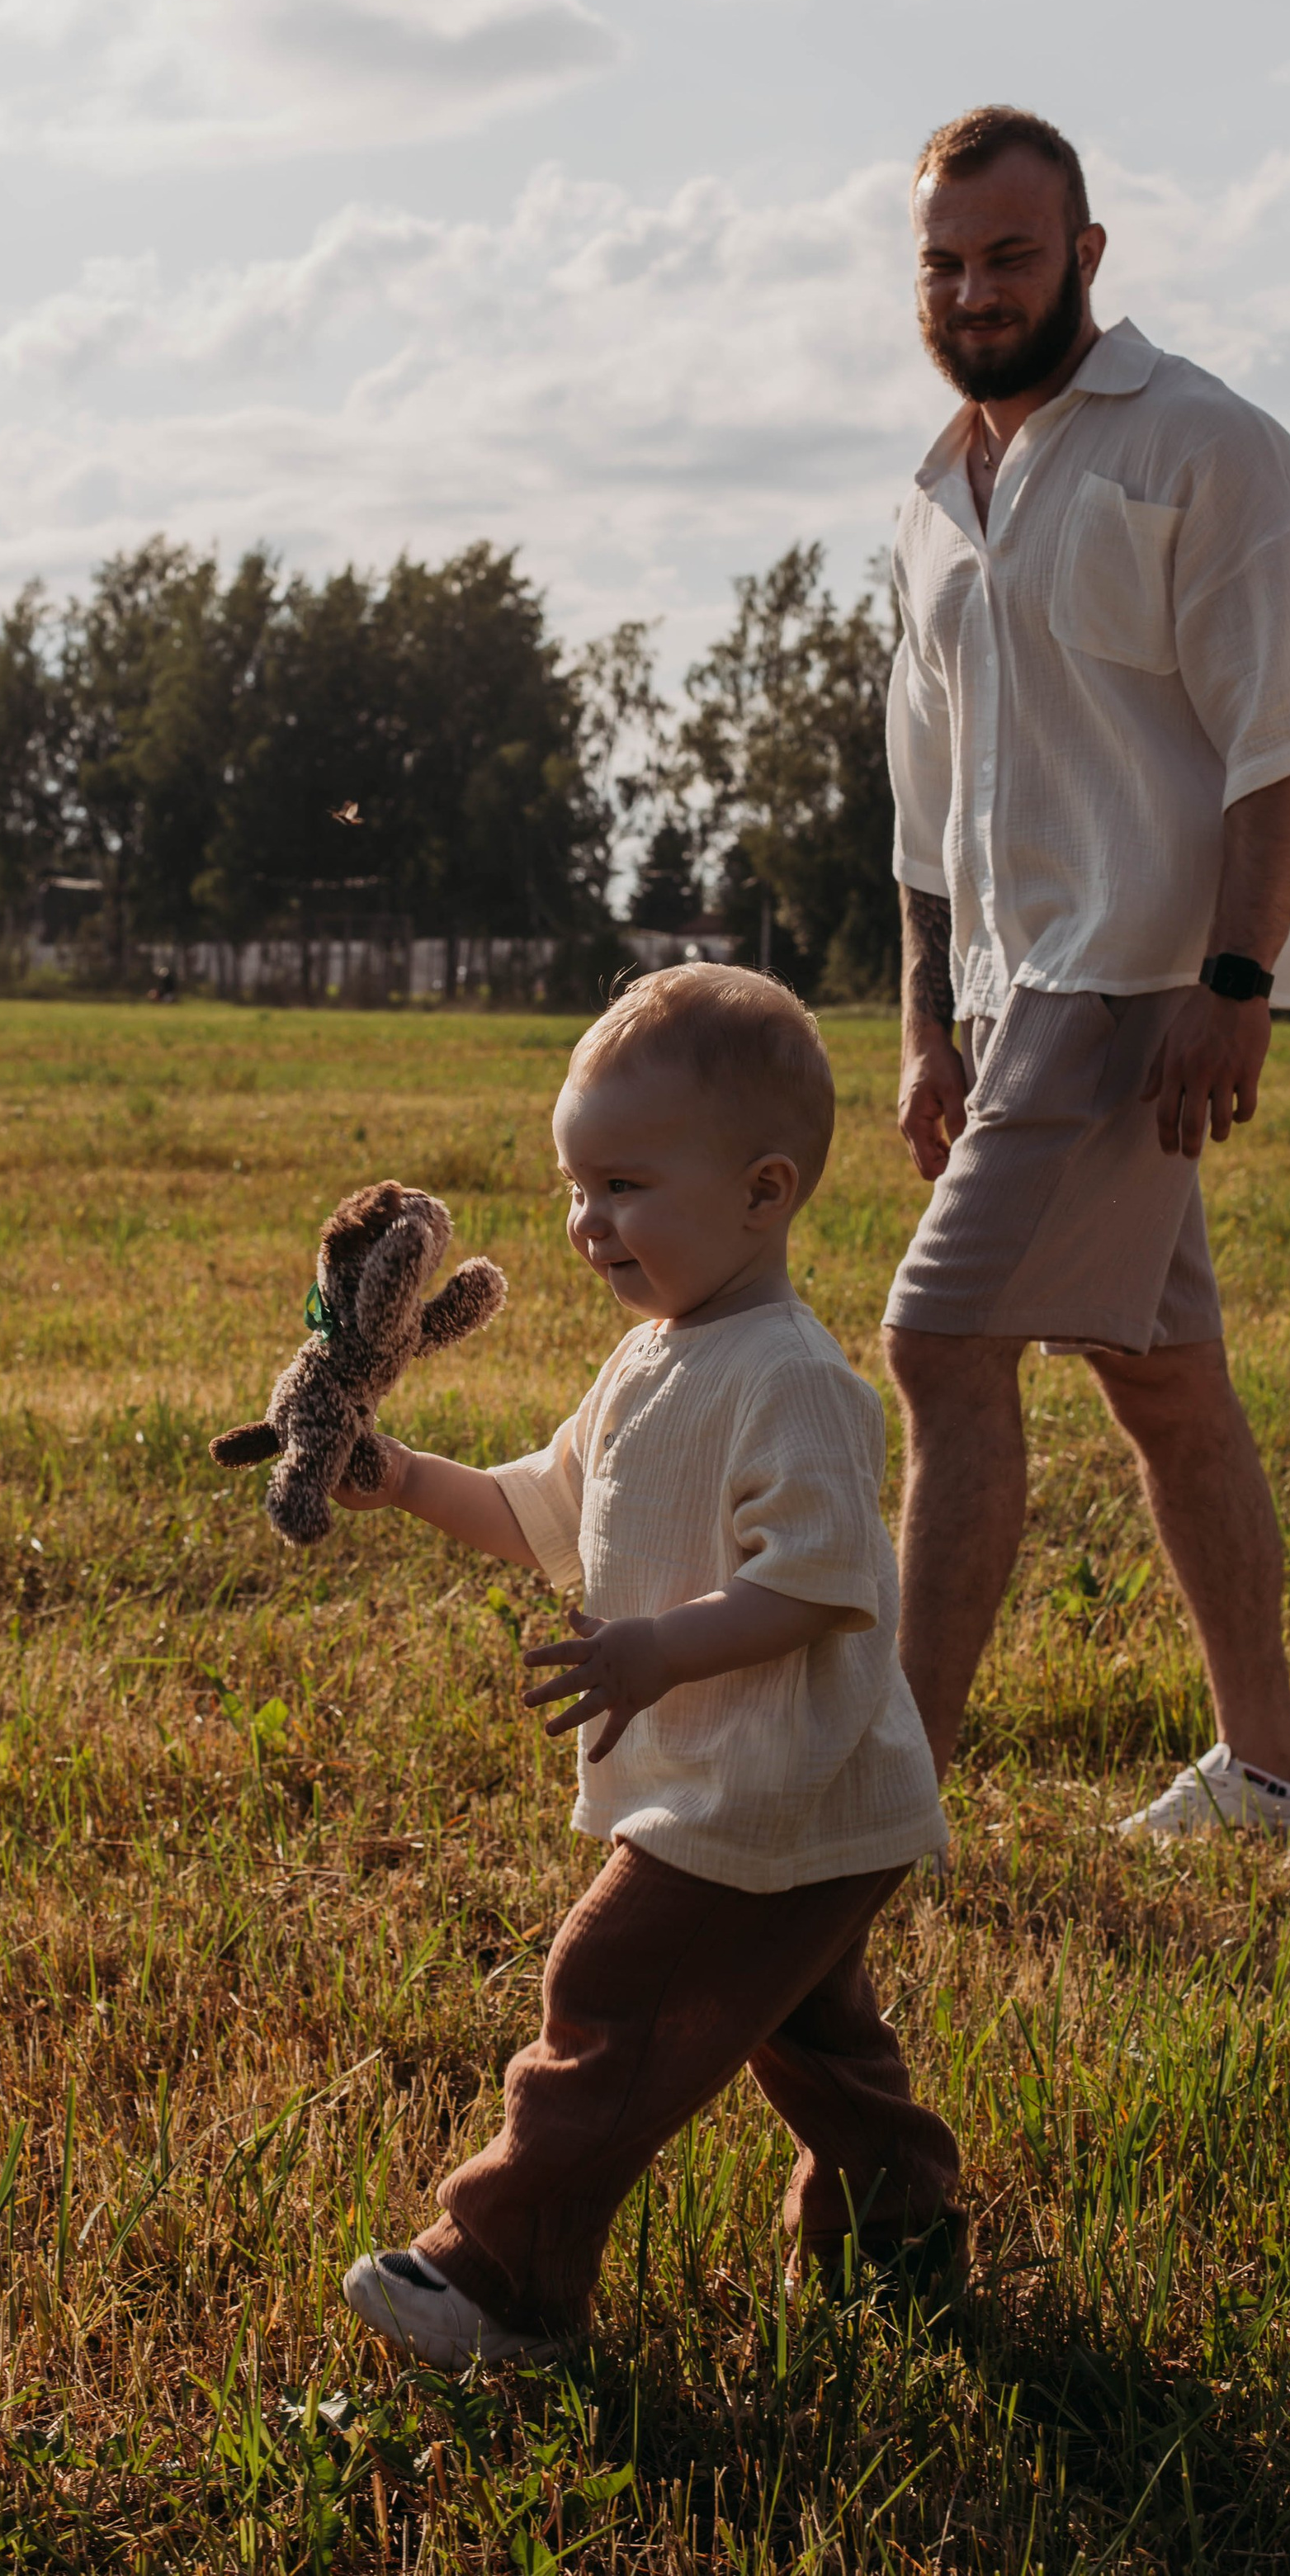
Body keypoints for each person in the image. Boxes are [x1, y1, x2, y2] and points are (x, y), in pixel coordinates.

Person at [883, 103, 1290, 1841]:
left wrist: (1236, 973)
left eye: (1008, 255)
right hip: (1009, 998)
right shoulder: (934, 495)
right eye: (943, 264)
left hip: (1130, 994)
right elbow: (924, 796)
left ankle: (876, 1814)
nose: (973, 290)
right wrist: (922, 1021)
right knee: (1167, 1386)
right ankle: (1266, 1776)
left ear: (1086, 257)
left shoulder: (1203, 449)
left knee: (937, 1350)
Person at [329, 964, 959, 2368]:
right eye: (575, 1184)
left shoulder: (793, 1380)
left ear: (764, 1191)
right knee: (807, 2033)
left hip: (774, 1791)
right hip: (756, 1793)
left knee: (611, 1994)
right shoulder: (647, 1363)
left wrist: (653, 1650)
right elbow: (542, 1513)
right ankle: (898, 2235)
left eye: (623, 1185)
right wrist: (409, 1474)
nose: (585, 1221)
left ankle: (505, 2278)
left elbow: (816, 1584)